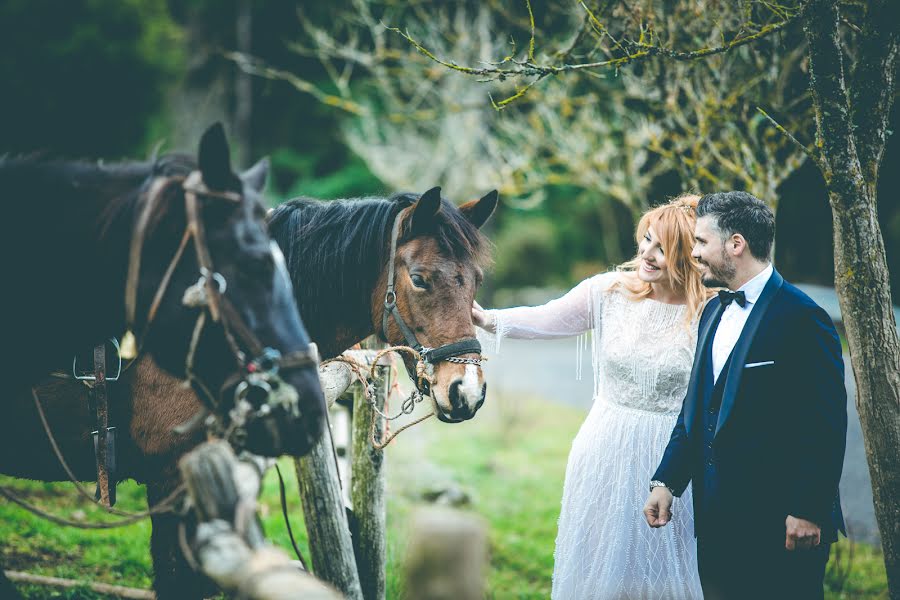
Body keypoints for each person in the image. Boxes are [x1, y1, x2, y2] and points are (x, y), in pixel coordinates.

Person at [474, 195, 710, 599]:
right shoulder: (609, 291)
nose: (647, 255)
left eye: (663, 249)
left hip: (672, 453)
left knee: (667, 565)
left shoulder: (710, 310)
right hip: (605, 447)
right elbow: (547, 317)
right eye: (646, 240)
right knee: (599, 564)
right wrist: (489, 319)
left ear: (688, 256)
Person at [643, 191, 847, 600]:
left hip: (782, 525)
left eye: (701, 242)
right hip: (717, 523)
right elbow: (696, 410)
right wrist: (668, 479)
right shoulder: (712, 313)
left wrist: (808, 509)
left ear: (736, 244)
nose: (694, 252)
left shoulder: (804, 318)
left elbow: (824, 424)